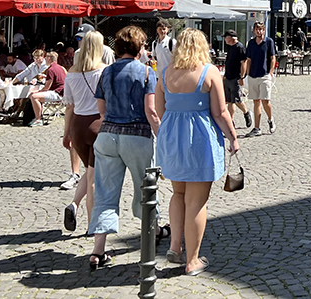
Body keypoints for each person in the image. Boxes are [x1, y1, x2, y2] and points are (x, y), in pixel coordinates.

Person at [157, 29, 239, 276]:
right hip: (200, 139)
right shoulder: (209, 71)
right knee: (196, 201)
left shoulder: (165, 73)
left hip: (172, 137)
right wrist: (233, 138)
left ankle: (174, 246)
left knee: (177, 193)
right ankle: (192, 260)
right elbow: (220, 112)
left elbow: (161, 111)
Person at [88, 26, 163, 270]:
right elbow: (151, 111)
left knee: (105, 192)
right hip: (137, 135)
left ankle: (98, 251)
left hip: (108, 135)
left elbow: (101, 109)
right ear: (139, 48)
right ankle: (150, 236)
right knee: (146, 186)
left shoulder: (106, 72)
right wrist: (161, 135)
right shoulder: (145, 72)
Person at [62, 30, 106, 234]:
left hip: (78, 126)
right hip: (97, 124)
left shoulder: (71, 73)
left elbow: (68, 106)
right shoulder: (104, 71)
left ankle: (75, 204)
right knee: (94, 179)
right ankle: (92, 225)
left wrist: (66, 133)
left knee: (89, 172)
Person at [243, 21, 276, 136]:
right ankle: (257, 128)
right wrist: (247, 74)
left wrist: (270, 73)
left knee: (265, 101)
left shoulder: (269, 42)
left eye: (261, 29)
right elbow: (249, 59)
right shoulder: (251, 43)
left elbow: (272, 58)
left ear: (264, 30)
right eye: (257, 29)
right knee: (256, 101)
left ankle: (270, 119)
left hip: (264, 75)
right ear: (254, 30)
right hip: (253, 75)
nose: (259, 31)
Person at [221, 30, 252, 128]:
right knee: (230, 100)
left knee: (237, 99)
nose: (224, 39)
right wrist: (225, 75)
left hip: (236, 77)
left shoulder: (240, 47)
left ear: (230, 37)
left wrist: (242, 76)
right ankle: (231, 121)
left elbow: (244, 63)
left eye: (225, 37)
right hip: (228, 76)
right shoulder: (230, 47)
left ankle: (246, 113)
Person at [27, 51, 66, 126]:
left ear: (49, 58)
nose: (45, 59)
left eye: (46, 58)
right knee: (36, 95)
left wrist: (38, 92)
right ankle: (38, 116)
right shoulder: (60, 68)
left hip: (57, 93)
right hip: (63, 92)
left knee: (34, 96)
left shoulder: (50, 70)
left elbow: (47, 87)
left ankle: (38, 119)